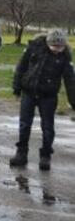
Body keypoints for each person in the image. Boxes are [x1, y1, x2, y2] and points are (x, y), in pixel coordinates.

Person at [9, 30, 75, 171]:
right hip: (29, 91)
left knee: (47, 127)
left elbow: (70, 80)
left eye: (60, 47)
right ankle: (21, 153)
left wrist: (73, 101)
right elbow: (21, 67)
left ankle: (46, 155)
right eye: (54, 46)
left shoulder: (65, 57)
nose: (57, 49)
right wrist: (17, 87)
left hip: (49, 95)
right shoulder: (34, 49)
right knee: (25, 124)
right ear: (47, 43)